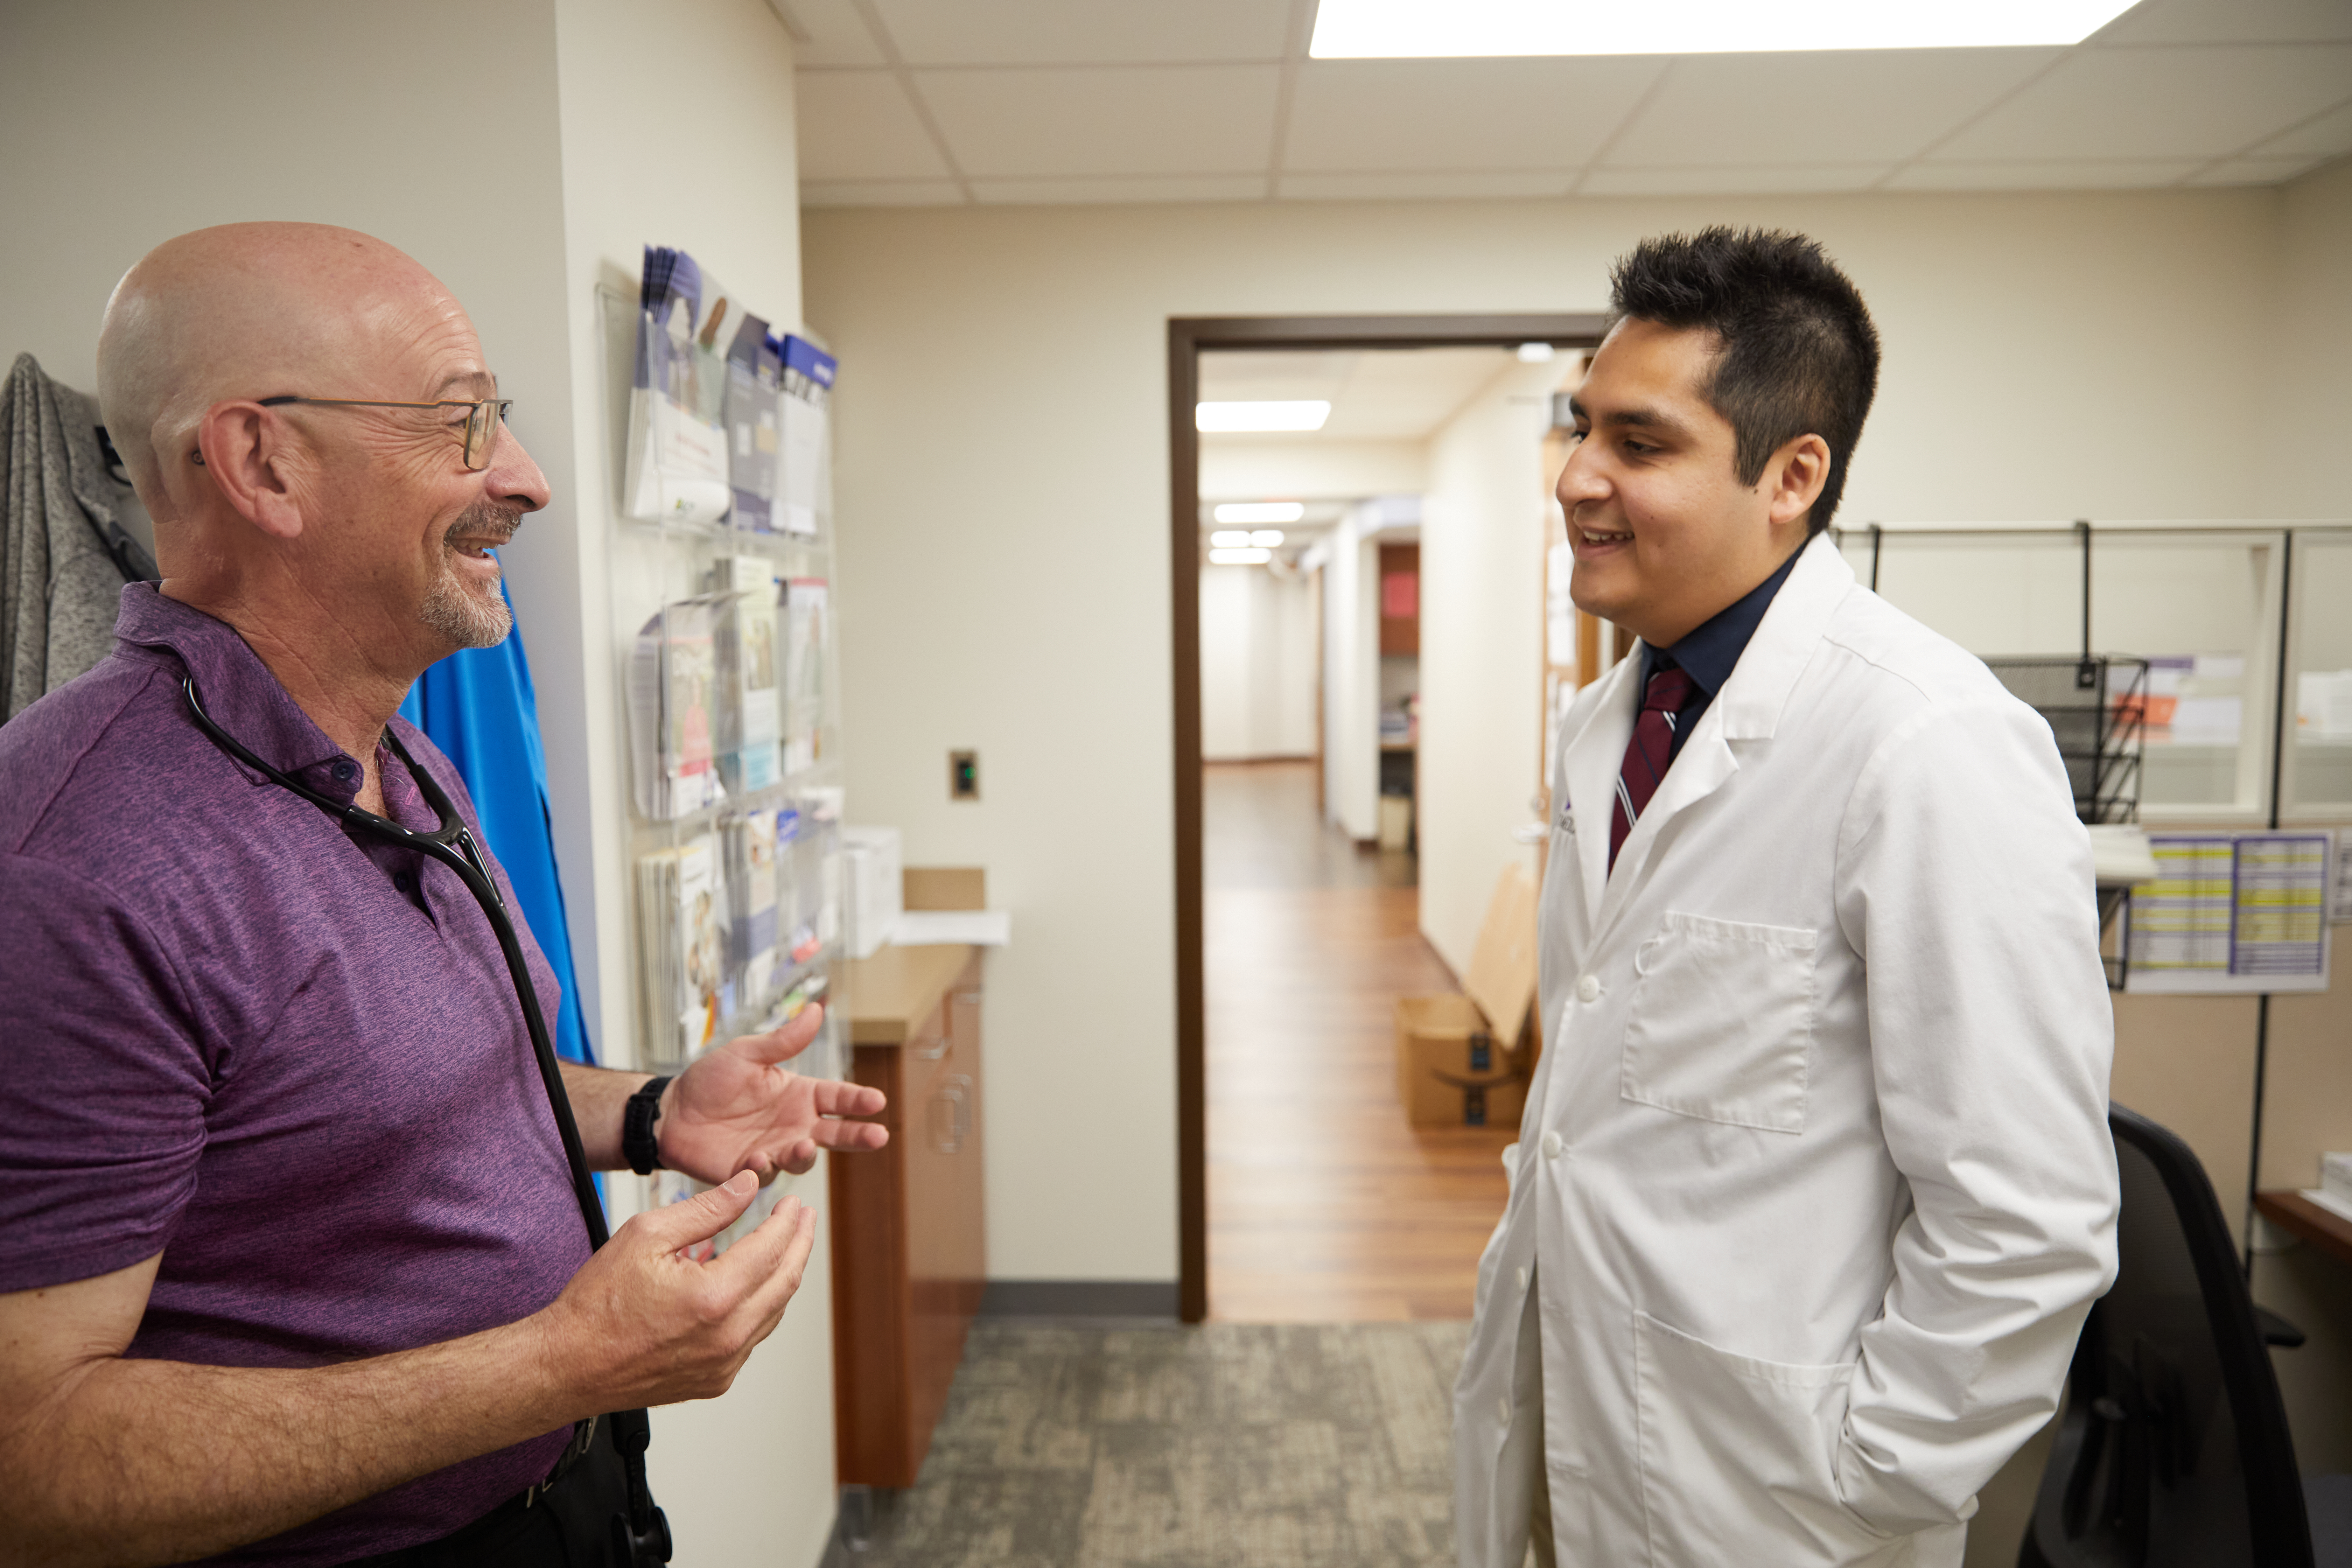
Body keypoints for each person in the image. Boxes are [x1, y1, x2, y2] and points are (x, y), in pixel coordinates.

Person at [0, 223, 888, 1568]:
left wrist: (649, 1111)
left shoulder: (391, 742)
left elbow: (383, 1093)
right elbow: (31, 1465)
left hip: (570, 1504)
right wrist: (560, 1366)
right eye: (464, 425)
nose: (524, 481)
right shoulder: (77, 864)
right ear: (263, 463)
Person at [1453, 228, 2119, 1568]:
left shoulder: (1928, 745)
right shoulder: (1615, 721)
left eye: (1639, 445)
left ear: (1792, 476)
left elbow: (2026, 1214)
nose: (1578, 479)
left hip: (1777, 1503)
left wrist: (1876, 1479)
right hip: (1581, 1425)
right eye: (1583, 430)